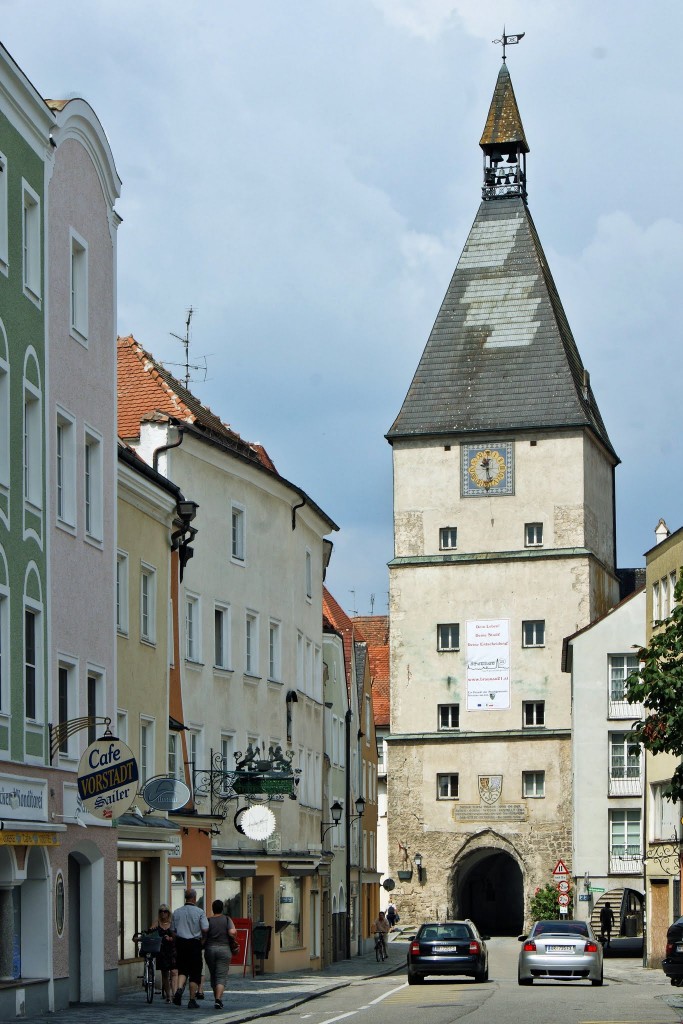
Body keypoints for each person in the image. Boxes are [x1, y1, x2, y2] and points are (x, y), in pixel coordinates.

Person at [172, 889, 209, 1008]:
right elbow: (205, 928)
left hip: (181, 943)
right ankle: (192, 1000)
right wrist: (203, 940)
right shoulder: (199, 912)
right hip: (194, 944)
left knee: (182, 969)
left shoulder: (177, 912)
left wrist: (176, 941)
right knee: (194, 972)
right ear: (194, 898)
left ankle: (178, 989)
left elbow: (172, 930)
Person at [204, 899, 237, 1010]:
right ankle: (218, 999)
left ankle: (217, 999)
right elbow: (232, 932)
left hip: (210, 950)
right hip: (224, 950)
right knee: (221, 976)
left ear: (213, 908)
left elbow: (204, 934)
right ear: (222, 908)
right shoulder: (227, 919)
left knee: (214, 975)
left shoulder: (208, 920)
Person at [149, 904, 177, 1002]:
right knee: (165, 974)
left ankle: (175, 995)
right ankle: (168, 996)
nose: (163, 913)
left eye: (165, 911)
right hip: (162, 951)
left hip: (173, 950)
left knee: (174, 972)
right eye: (161, 911)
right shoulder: (157, 923)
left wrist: (172, 938)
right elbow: (150, 932)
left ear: (169, 913)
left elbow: (177, 935)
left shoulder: (173, 923)